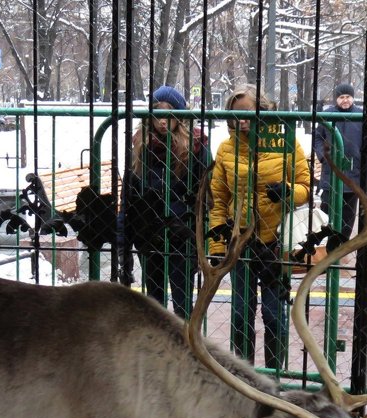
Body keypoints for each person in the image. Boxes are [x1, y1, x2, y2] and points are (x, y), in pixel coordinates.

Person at [208, 85, 312, 370]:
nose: (242, 120)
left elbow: (306, 186)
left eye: (249, 113)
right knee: (241, 314)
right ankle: (243, 377)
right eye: (236, 114)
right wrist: (217, 246)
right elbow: (219, 200)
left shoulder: (287, 143)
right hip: (239, 242)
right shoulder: (226, 148)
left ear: (263, 112)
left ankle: (274, 376)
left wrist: (288, 191)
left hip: (275, 243)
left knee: (274, 314)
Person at [118, 85, 212, 318]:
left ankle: (185, 345)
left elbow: (205, 196)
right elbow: (128, 193)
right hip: (148, 232)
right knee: (154, 301)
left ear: (179, 116)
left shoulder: (196, 147)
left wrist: (203, 241)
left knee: (183, 301)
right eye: (157, 111)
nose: (162, 119)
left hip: (182, 233)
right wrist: (124, 235)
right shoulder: (140, 146)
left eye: (169, 112)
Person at [311, 81, 363, 239]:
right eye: (341, 97)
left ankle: (344, 241)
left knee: (348, 211)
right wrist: (322, 155)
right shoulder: (328, 115)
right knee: (327, 208)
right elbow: (317, 138)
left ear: (353, 98)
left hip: (353, 172)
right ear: (336, 99)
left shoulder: (361, 116)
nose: (345, 100)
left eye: (348, 96)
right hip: (331, 171)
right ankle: (326, 239)